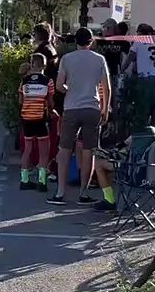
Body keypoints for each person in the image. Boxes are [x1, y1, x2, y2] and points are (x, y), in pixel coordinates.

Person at [47, 27, 111, 206]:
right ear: (91, 42)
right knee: (88, 150)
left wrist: (70, 89)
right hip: (92, 107)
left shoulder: (67, 59)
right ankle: (83, 192)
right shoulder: (99, 59)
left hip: (72, 107)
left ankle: (60, 192)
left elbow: (59, 85)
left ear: (76, 41)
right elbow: (106, 87)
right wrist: (105, 109)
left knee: (65, 149)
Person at [91, 109, 155, 212]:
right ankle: (115, 199)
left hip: (138, 173)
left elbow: (126, 143)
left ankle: (110, 200)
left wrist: (116, 150)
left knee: (99, 163)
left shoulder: (151, 132)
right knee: (112, 164)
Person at [18, 53, 55, 191]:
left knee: (27, 149)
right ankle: (41, 181)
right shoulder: (48, 81)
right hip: (40, 118)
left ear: (32, 64)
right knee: (44, 150)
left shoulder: (24, 80)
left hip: (26, 117)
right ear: (44, 65)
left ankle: (24, 179)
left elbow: (21, 100)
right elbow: (50, 102)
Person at [123, 24, 155, 127]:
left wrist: (122, 69)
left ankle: (142, 132)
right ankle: (154, 129)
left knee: (143, 109)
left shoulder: (138, 42)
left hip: (144, 78)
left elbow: (130, 58)